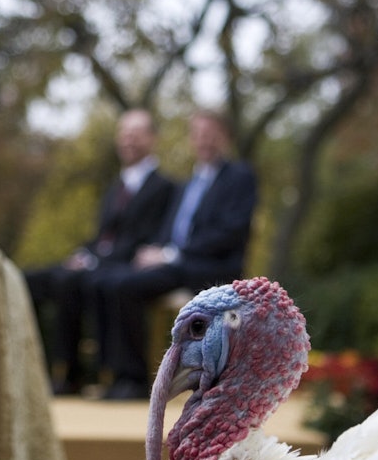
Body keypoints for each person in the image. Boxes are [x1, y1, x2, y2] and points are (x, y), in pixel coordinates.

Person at [97, 109, 258, 400]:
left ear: (225, 138)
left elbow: (230, 232)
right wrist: (154, 251)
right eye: (198, 135)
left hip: (211, 267)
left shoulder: (239, 177)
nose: (203, 142)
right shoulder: (188, 184)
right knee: (109, 280)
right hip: (177, 263)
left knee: (125, 286)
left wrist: (173, 253)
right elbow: (170, 229)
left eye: (210, 135)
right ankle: (113, 372)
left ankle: (134, 379)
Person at [25, 109, 176, 395]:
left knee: (80, 282)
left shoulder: (165, 187)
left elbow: (145, 239)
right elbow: (103, 235)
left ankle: (115, 376)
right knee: (35, 279)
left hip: (122, 267)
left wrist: (96, 260)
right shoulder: (114, 187)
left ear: (152, 139)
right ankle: (54, 369)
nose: (128, 140)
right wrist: (85, 253)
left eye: (136, 133)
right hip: (97, 262)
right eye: (124, 133)